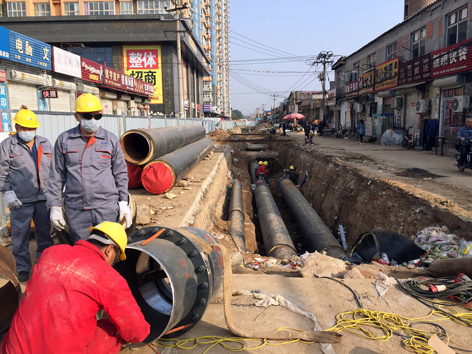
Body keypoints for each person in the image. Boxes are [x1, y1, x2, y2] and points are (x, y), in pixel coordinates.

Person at [1, 221, 151, 354]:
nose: (114, 263)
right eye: (117, 258)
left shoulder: (51, 252)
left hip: (14, 348)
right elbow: (136, 332)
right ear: (109, 250)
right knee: (114, 329)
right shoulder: (109, 278)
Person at [48, 94, 132, 243]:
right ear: (76, 116)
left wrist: (123, 202)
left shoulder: (110, 140)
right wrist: (55, 205)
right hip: (77, 209)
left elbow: (120, 173)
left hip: (106, 207)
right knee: (83, 252)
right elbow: (56, 175)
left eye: (97, 116)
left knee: (108, 250)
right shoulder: (64, 140)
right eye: (88, 116)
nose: (93, 120)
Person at [0, 107, 53, 282]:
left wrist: (55, 194)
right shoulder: (8, 146)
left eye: (31, 128)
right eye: (24, 128)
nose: (27, 132)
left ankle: (44, 265)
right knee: (19, 235)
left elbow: (53, 170)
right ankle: (22, 267)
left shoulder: (45, 143)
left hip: (44, 198)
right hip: (21, 200)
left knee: (45, 234)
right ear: (16, 127)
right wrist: (7, 192)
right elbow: (2, 172)